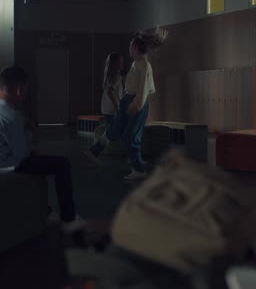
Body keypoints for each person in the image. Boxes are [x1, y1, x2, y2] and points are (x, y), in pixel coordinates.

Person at [0, 65, 85, 232]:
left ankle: (44, 211)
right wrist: (30, 134)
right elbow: (21, 154)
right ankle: (69, 219)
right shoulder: (13, 116)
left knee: (37, 160)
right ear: (19, 90)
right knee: (62, 164)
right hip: (7, 165)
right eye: (26, 89)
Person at [87, 28, 168, 180]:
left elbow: (143, 89)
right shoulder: (137, 63)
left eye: (131, 46)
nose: (129, 48)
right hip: (127, 100)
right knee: (115, 130)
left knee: (130, 137)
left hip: (135, 102)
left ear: (136, 48)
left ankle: (138, 169)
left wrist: (135, 105)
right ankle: (95, 150)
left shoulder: (143, 65)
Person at [101, 52, 125, 126]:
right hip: (112, 110)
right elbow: (109, 91)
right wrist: (117, 106)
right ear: (115, 64)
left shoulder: (108, 77)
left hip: (105, 110)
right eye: (121, 62)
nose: (123, 64)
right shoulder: (117, 77)